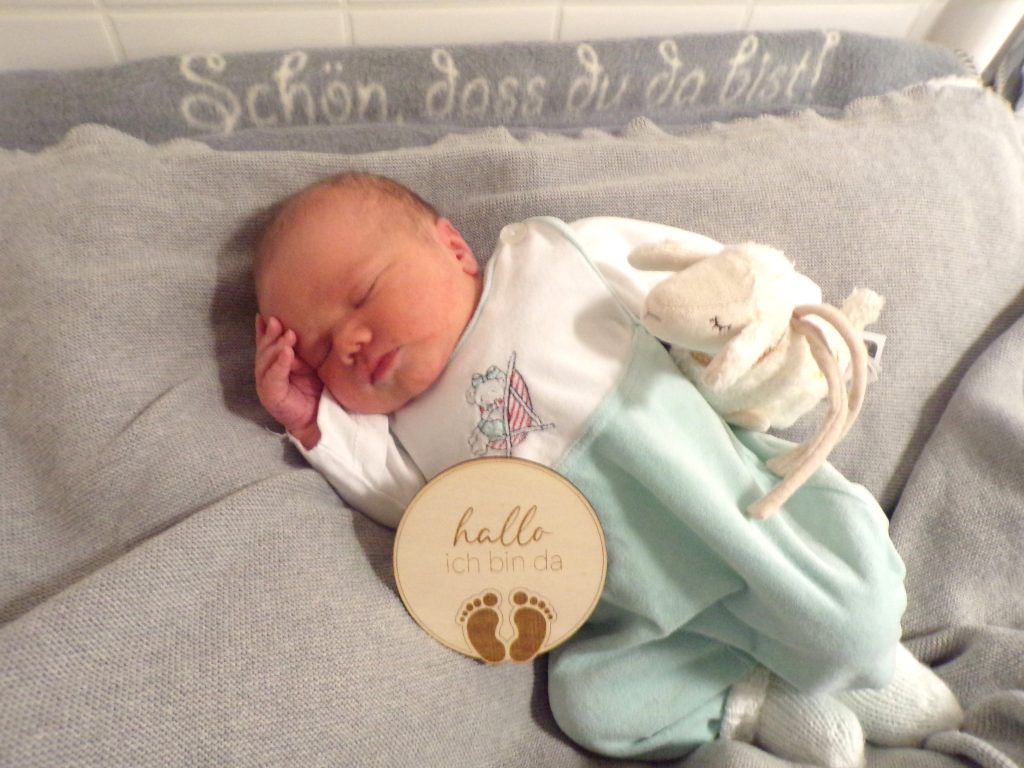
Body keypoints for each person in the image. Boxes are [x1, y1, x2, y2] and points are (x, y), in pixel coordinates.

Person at [253, 172, 963, 766]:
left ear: (452, 247)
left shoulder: (550, 258)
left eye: (364, 294)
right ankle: (755, 697)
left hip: (726, 512)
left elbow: (696, 282)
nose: (350, 341)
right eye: (319, 351)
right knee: (591, 707)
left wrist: (775, 319)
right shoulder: (403, 435)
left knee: (848, 615)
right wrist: (314, 422)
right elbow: (403, 509)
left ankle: (872, 668)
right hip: (634, 608)